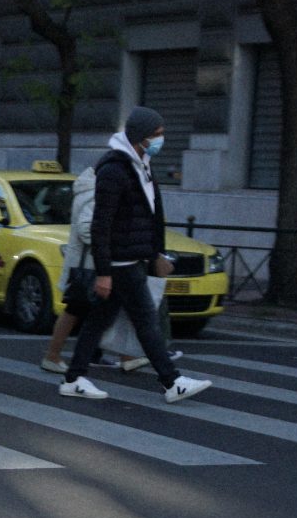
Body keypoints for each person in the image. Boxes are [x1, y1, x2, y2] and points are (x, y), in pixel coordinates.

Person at [62, 108, 210, 404]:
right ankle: (172, 381)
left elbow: (151, 215)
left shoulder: (140, 165)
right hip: (120, 263)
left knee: (98, 321)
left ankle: (74, 377)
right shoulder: (114, 170)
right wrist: (104, 271)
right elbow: (101, 224)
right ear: (140, 137)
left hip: (130, 259)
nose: (161, 139)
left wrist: (155, 253)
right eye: (156, 134)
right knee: (145, 320)